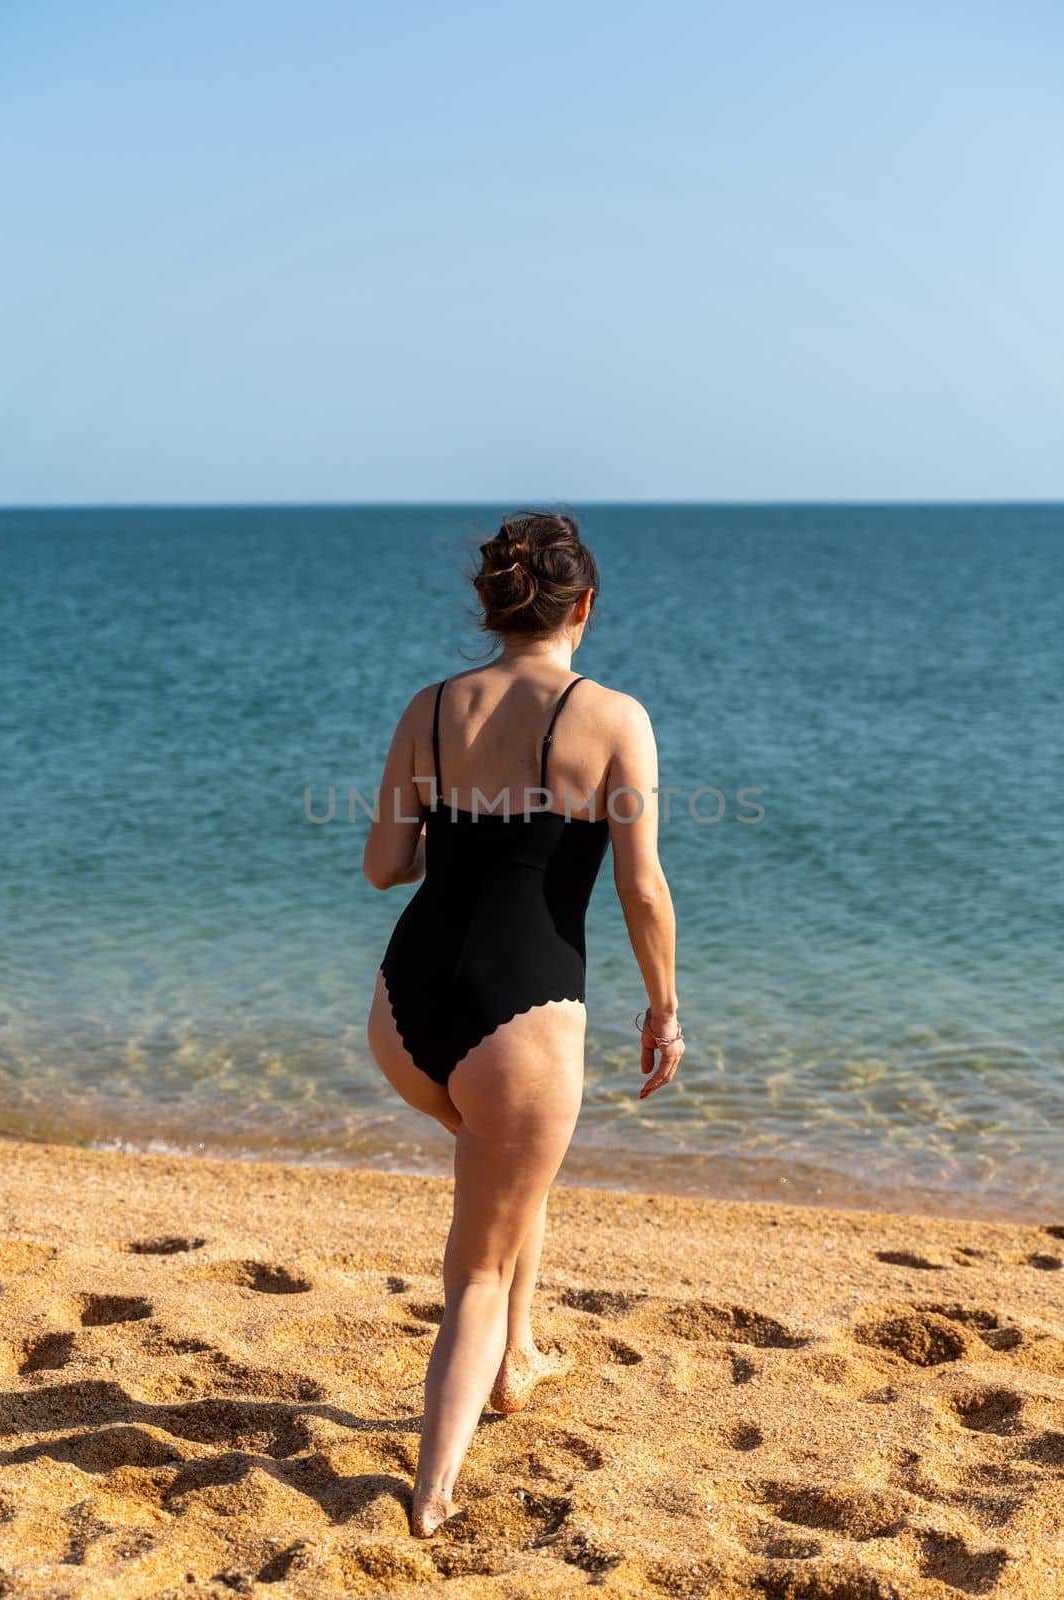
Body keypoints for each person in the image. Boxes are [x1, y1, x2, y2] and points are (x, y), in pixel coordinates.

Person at [363, 510, 684, 1537]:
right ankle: (432, 1493)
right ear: (584, 606)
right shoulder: (614, 717)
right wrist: (664, 1007)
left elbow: (382, 865)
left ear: (489, 606)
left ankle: (520, 1357)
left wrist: (453, 831)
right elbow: (640, 889)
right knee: (475, 1270)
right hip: (522, 1015)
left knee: (509, 1180)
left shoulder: (428, 707)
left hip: (403, 1008)